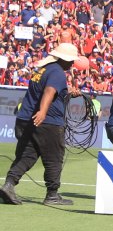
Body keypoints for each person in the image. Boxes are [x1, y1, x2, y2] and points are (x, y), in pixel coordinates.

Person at [1, 42, 80, 206]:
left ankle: (9, 185)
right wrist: (43, 112)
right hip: (47, 121)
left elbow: (48, 93)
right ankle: (52, 195)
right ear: (64, 59)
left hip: (26, 118)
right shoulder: (58, 72)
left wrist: (68, 93)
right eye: (71, 60)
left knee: (27, 155)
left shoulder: (43, 69)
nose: (73, 63)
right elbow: (49, 91)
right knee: (54, 158)